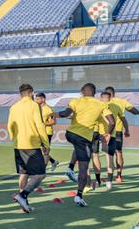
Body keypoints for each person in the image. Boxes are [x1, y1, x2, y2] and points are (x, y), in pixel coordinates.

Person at [56, 83, 114, 207]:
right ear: (94, 92)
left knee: (79, 148)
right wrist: (108, 134)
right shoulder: (101, 104)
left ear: (82, 91)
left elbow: (66, 113)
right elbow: (112, 121)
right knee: (84, 166)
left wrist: (55, 115)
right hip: (84, 138)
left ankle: (70, 168)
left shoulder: (76, 101)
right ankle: (79, 195)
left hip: (70, 134)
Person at [8, 84, 50, 213]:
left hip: (18, 145)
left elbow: (10, 126)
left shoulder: (14, 107)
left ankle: (24, 205)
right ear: (31, 93)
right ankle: (23, 195)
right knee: (40, 174)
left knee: (24, 173)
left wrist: (14, 140)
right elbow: (40, 125)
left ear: (20, 93)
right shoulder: (34, 105)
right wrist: (46, 143)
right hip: (31, 145)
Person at [104, 86, 139, 183]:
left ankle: (108, 176)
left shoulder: (102, 102)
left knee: (108, 154)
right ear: (113, 93)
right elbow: (136, 112)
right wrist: (127, 129)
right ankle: (119, 176)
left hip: (105, 132)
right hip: (118, 131)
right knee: (118, 153)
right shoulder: (121, 102)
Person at [99, 91, 128, 190]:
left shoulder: (99, 106)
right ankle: (110, 180)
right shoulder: (116, 106)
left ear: (101, 98)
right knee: (110, 158)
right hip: (113, 134)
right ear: (110, 98)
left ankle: (93, 180)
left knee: (93, 155)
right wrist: (127, 130)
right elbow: (122, 119)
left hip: (102, 134)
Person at [34, 93, 60, 171]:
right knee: (42, 151)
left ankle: (42, 171)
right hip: (39, 133)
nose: (36, 100)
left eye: (38, 99)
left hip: (47, 133)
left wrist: (43, 124)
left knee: (45, 152)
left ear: (43, 99)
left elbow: (54, 122)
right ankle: (53, 161)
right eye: (36, 99)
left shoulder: (48, 109)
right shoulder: (37, 108)